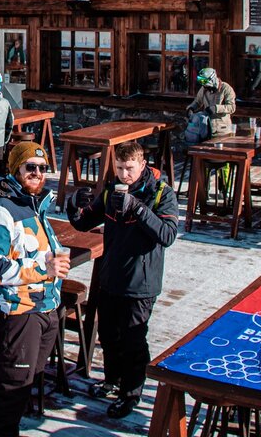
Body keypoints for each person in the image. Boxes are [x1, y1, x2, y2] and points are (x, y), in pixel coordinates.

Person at [66, 141, 179, 419]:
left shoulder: (161, 193)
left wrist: (138, 210)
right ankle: (112, 380)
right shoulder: (111, 190)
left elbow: (167, 235)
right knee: (108, 334)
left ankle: (131, 393)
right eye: (119, 168)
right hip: (111, 275)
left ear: (142, 164)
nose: (124, 174)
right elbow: (83, 223)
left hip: (140, 281)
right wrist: (74, 205)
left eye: (129, 168)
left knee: (133, 339)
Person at [0, 142, 67, 437]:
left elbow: (32, 251)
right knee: (11, 391)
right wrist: (43, 269)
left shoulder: (33, 204)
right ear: (16, 169)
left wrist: (53, 261)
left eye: (42, 168)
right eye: (31, 167)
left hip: (44, 307)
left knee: (27, 382)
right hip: (18, 313)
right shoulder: (1, 209)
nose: (38, 173)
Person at [187, 67, 236, 138]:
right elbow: (197, 101)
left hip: (222, 130)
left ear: (211, 79)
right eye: (201, 81)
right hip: (207, 128)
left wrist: (216, 108)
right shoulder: (204, 89)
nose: (203, 85)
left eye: (204, 81)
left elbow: (232, 107)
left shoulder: (226, 88)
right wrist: (191, 108)